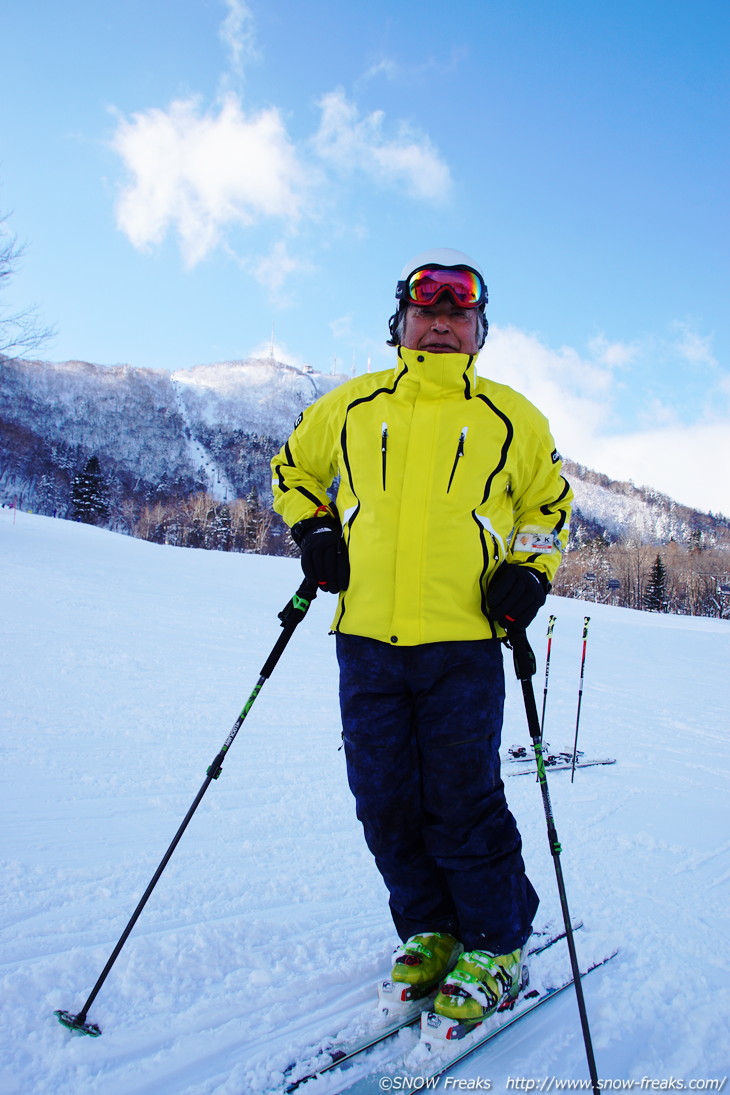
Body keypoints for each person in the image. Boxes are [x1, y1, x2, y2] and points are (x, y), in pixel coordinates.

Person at [270, 248, 573, 1025]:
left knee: (461, 798)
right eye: (426, 309)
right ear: (399, 322)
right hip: (365, 639)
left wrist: (530, 573)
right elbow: (291, 471)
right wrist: (314, 531)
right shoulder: (351, 405)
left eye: (457, 313)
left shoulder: (513, 417)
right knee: (383, 798)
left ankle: (499, 942)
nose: (441, 321)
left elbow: (549, 508)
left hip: (463, 644)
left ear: (479, 330)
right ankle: (432, 928)